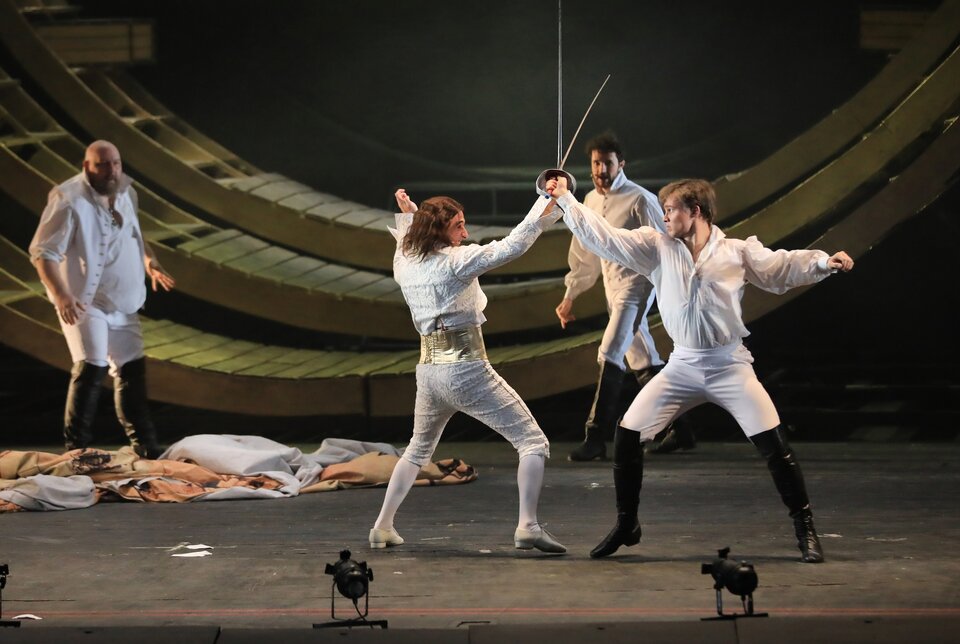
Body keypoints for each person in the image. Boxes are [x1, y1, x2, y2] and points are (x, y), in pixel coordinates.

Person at [545, 175, 854, 563]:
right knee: (628, 433)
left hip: (729, 365)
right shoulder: (657, 247)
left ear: (696, 211)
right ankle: (627, 524)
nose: (664, 216)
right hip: (683, 366)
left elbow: (781, 266)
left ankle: (805, 528)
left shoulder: (735, 252)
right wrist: (567, 200)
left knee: (775, 446)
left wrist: (824, 262)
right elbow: (606, 238)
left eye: (670, 209)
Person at [369, 187, 566, 554]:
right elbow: (512, 245)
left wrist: (412, 215)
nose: (465, 232)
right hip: (465, 370)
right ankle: (527, 526)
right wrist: (546, 200)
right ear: (439, 230)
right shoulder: (457, 261)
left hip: (429, 373)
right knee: (532, 442)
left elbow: (406, 243)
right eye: (458, 226)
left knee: (417, 450)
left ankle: (382, 526)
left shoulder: (405, 263)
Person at [29, 140, 175, 459]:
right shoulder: (67, 198)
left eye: (116, 163)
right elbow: (43, 253)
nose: (112, 171)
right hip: (83, 300)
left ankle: (146, 446)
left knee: (131, 369)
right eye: (103, 165)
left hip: (122, 298)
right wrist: (62, 296)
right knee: (91, 367)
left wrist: (150, 260)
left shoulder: (126, 191)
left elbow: (134, 233)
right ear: (87, 167)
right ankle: (76, 450)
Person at [557, 132, 694, 460]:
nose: (601, 169)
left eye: (608, 163)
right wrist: (570, 295)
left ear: (621, 164)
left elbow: (665, 244)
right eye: (596, 163)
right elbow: (585, 251)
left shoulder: (640, 198)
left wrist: (675, 288)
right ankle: (681, 430)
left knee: (610, 351)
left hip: (637, 285)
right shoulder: (588, 201)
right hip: (612, 287)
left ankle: (595, 437)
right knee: (642, 359)